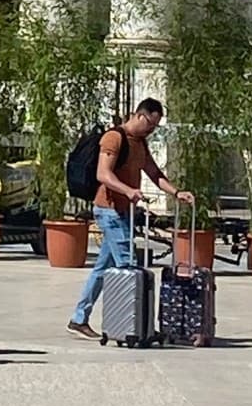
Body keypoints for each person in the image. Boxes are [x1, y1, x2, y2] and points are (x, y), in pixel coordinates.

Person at [67, 98, 177, 338]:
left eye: (155, 126)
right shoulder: (113, 138)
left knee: (102, 268)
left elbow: (154, 173)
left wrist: (177, 193)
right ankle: (136, 325)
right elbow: (103, 174)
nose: (151, 129)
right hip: (109, 211)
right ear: (139, 115)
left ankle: (79, 319)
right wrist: (128, 190)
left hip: (124, 211)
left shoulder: (140, 143)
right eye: (150, 124)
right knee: (129, 267)